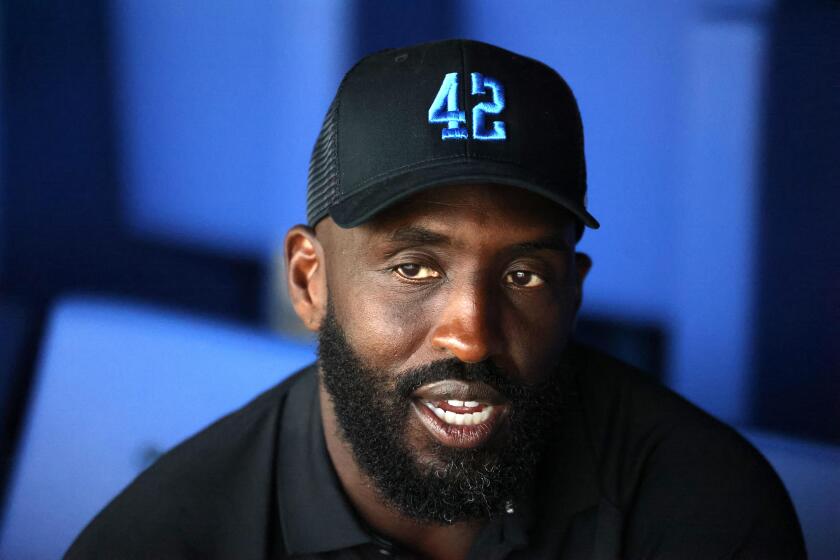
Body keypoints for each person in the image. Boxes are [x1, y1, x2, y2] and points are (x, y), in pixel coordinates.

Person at [66, 39, 805, 559]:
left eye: (523, 274)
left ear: (573, 294)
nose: (472, 336)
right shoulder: (162, 540)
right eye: (414, 268)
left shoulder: (698, 505)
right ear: (308, 280)